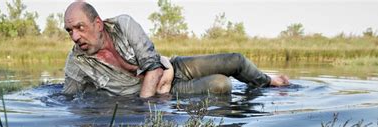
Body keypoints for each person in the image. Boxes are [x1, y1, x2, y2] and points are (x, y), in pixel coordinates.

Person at [63, 1, 290, 98]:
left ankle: (267, 82)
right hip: (166, 94)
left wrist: (146, 107)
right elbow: (68, 98)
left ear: (98, 24)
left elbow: (152, 65)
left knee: (235, 60)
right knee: (222, 85)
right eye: (69, 31)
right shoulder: (77, 63)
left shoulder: (123, 24)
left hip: (171, 67)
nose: (75, 36)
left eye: (79, 28)